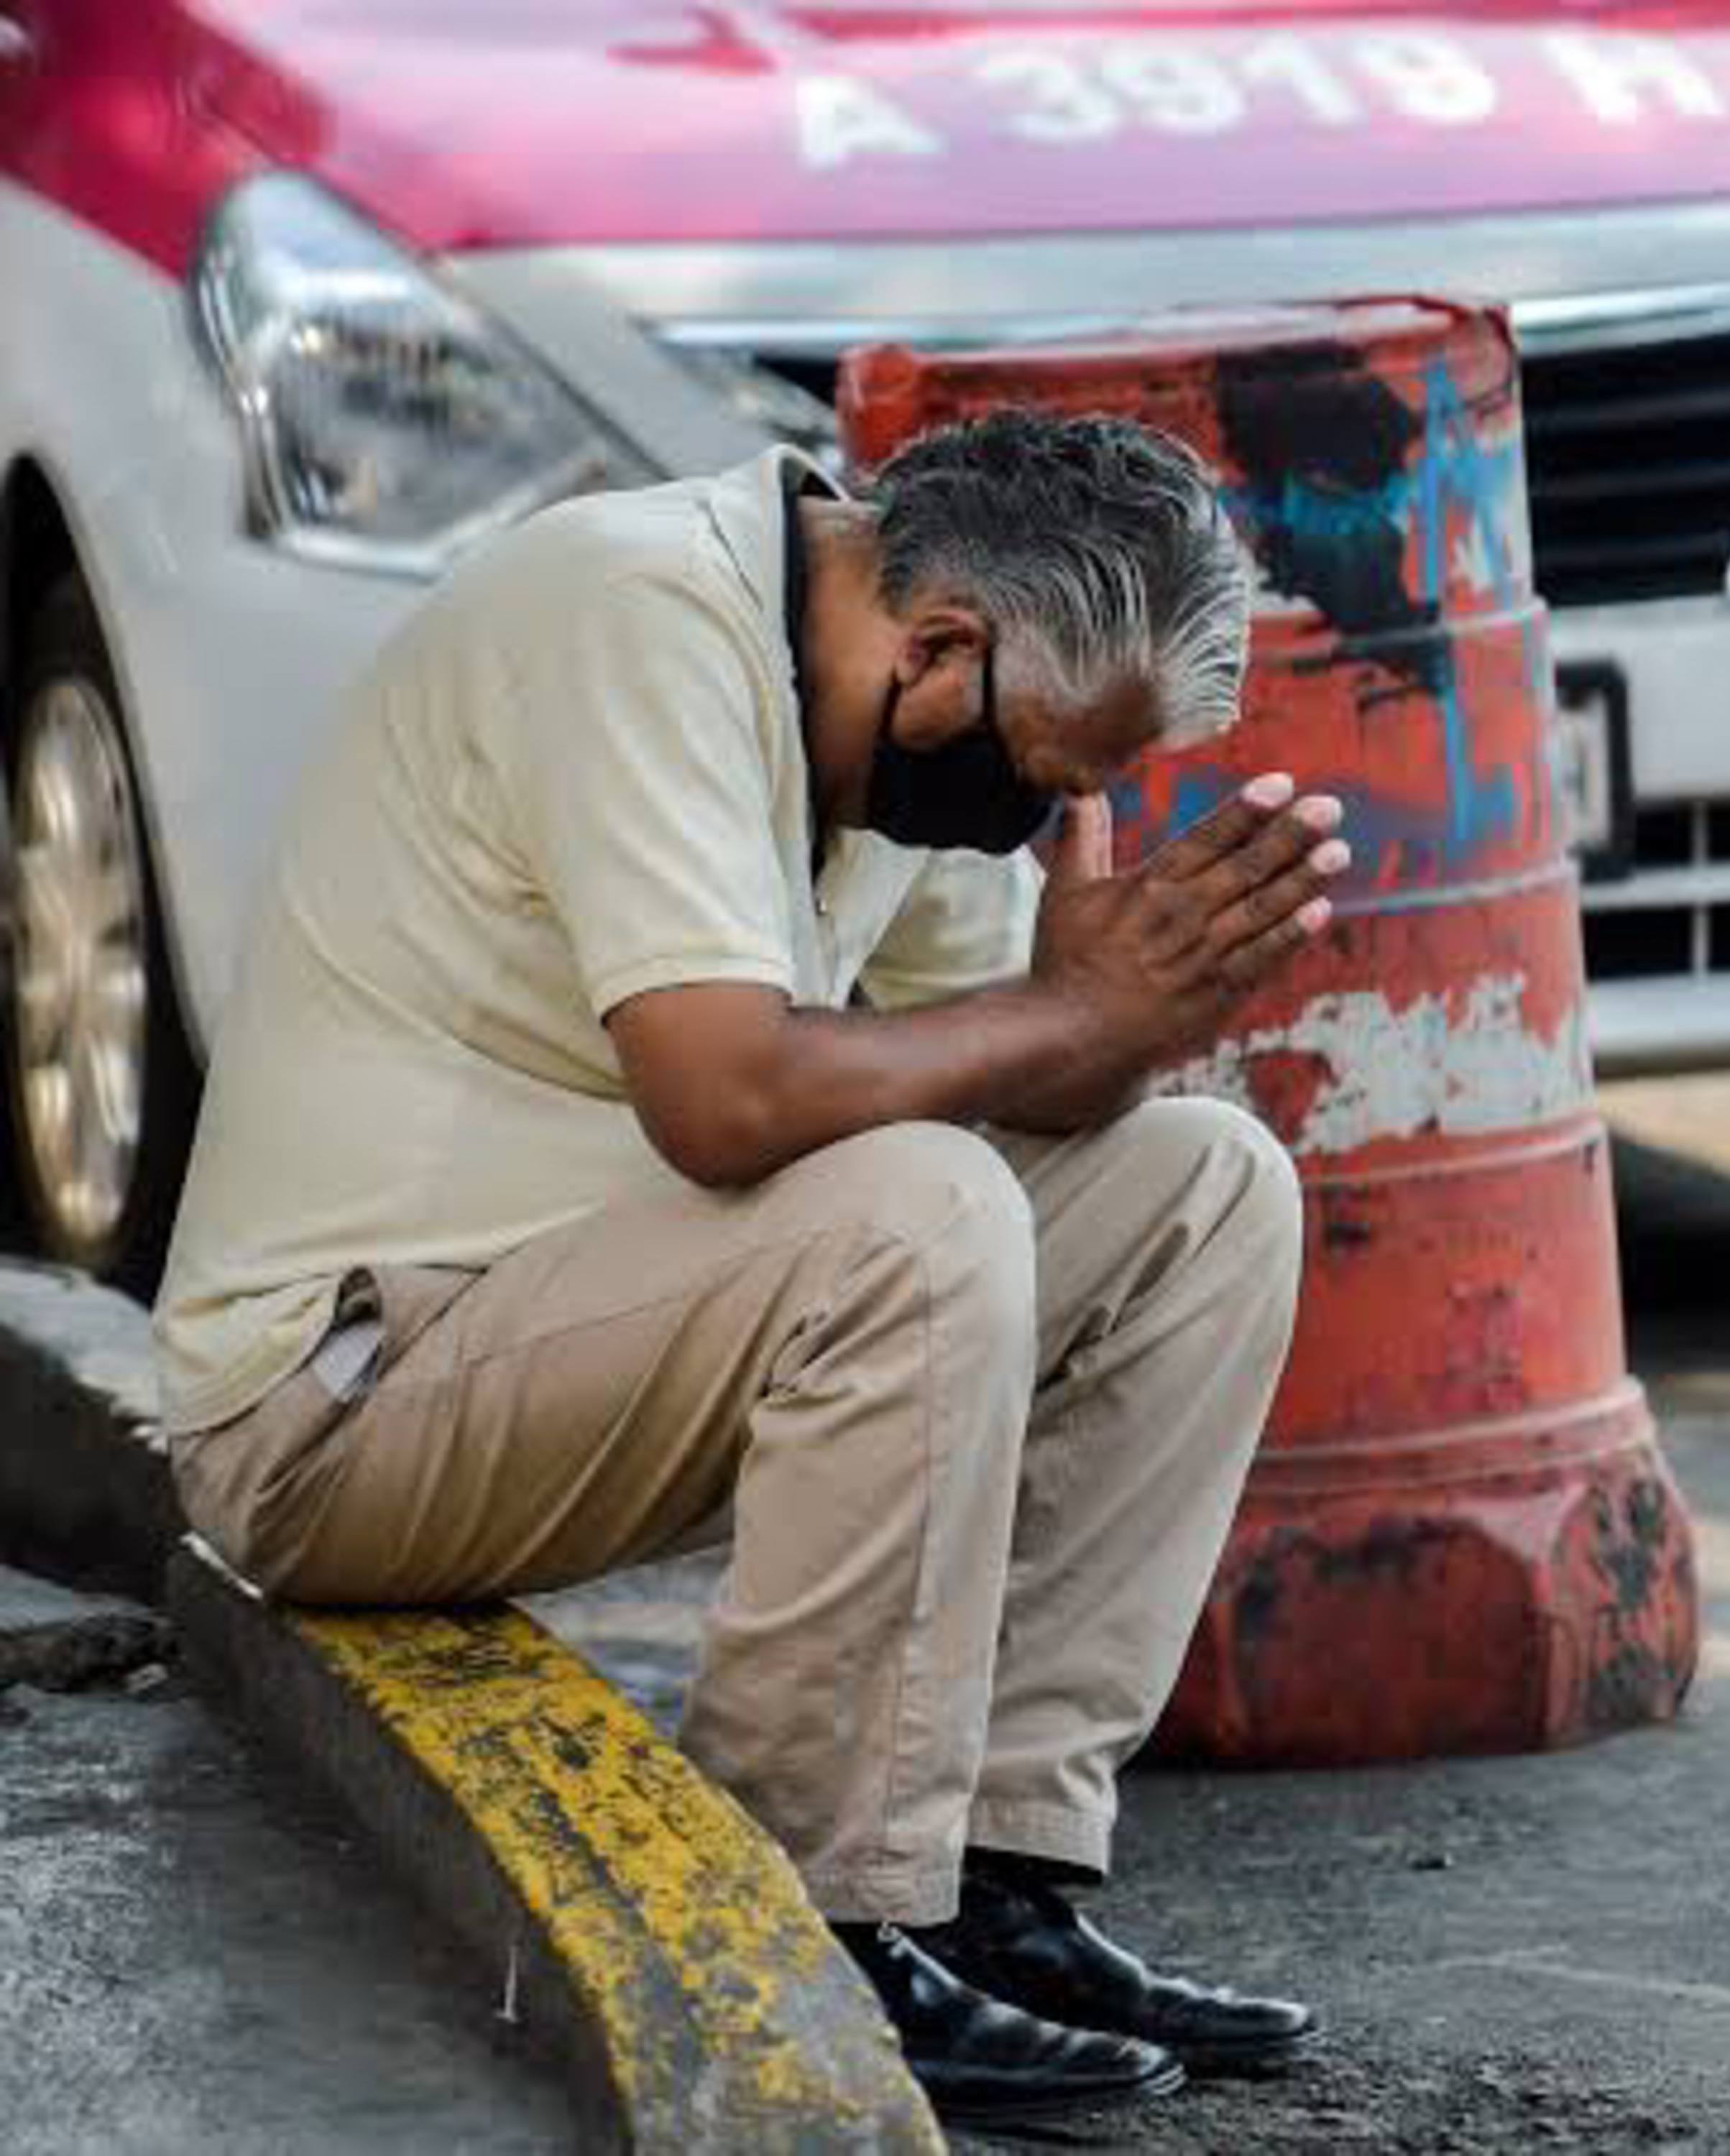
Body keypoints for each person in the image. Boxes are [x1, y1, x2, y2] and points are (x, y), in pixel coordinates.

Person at [152, 409, 1349, 2129]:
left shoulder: (904, 719)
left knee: (1205, 1189)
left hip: (589, 1336)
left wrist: (1118, 1019)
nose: (1053, 822)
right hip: (339, 1401)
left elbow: (988, 1064)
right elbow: (726, 1100)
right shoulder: (637, 617)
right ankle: (814, 1919)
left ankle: (992, 1884)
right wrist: (1060, 1016)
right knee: (917, 1212)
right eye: (1053, 773)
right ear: (944, 644)